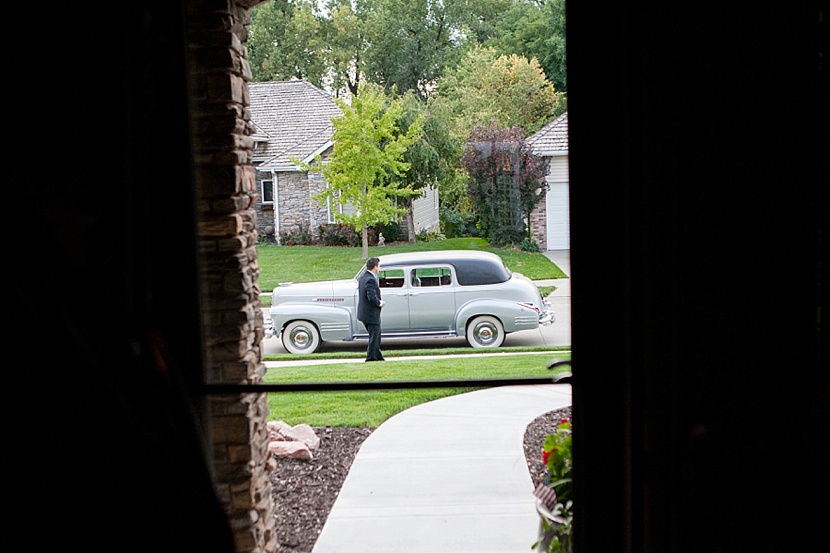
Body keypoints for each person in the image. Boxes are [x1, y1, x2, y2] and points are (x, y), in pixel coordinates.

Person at [357, 257, 386, 361]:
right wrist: (380, 303)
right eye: (379, 266)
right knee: (375, 339)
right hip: (371, 315)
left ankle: (379, 358)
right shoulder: (370, 279)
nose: (379, 268)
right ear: (375, 267)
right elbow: (371, 297)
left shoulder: (363, 277)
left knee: (375, 338)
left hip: (364, 314)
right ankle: (370, 359)